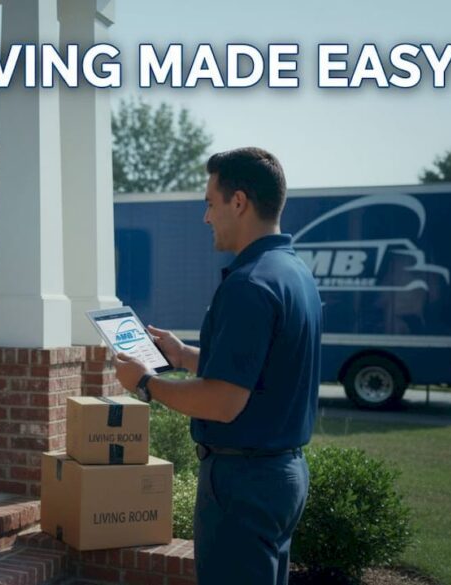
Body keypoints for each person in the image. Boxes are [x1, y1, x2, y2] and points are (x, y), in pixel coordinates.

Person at [113, 147, 322, 585]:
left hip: (243, 483)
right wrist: (182, 354)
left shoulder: (249, 284)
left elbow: (223, 400)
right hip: (281, 474)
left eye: (210, 203)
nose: (206, 217)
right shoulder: (292, 273)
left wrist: (145, 383)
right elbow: (257, 369)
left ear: (239, 202)